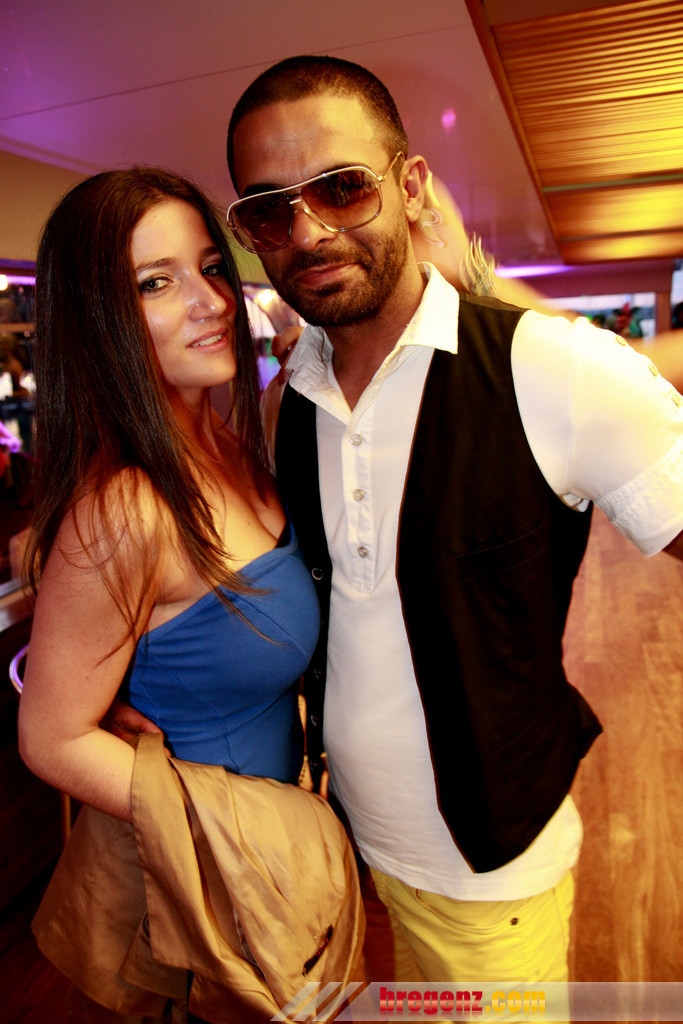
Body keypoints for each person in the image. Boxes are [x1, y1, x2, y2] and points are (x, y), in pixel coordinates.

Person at [219, 53, 683, 998]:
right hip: (352, 849)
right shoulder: (288, 398)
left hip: (493, 872)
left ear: (410, 186)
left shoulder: (550, 368)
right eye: (269, 210)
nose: (307, 232)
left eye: (341, 187)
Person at [17, 166, 363, 1022]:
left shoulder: (234, 443)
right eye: (154, 283)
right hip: (211, 879)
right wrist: (241, 824)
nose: (209, 301)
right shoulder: (126, 510)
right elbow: (51, 738)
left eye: (210, 268)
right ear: (97, 320)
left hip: (270, 852)